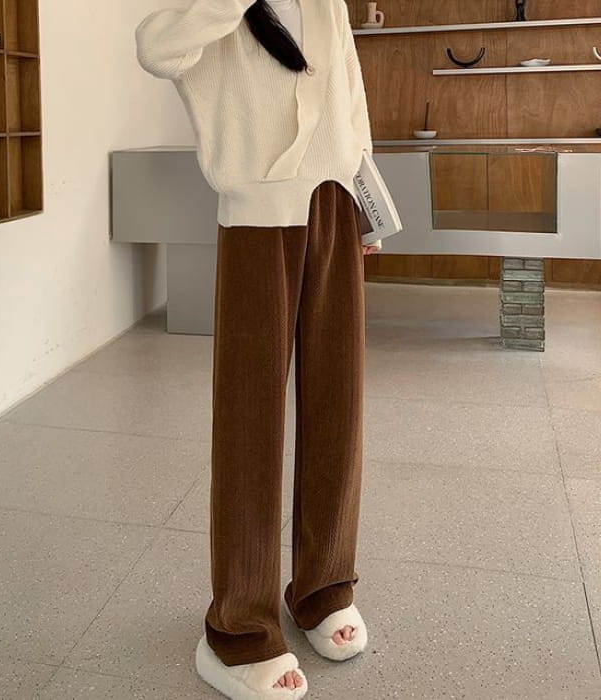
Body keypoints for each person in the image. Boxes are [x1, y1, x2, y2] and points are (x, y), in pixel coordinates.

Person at [135, 0, 379, 696]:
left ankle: (324, 588)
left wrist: (367, 202)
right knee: (251, 420)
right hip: (256, 215)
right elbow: (156, 48)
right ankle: (239, 628)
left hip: (334, 202)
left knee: (338, 405)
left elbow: (350, 97)